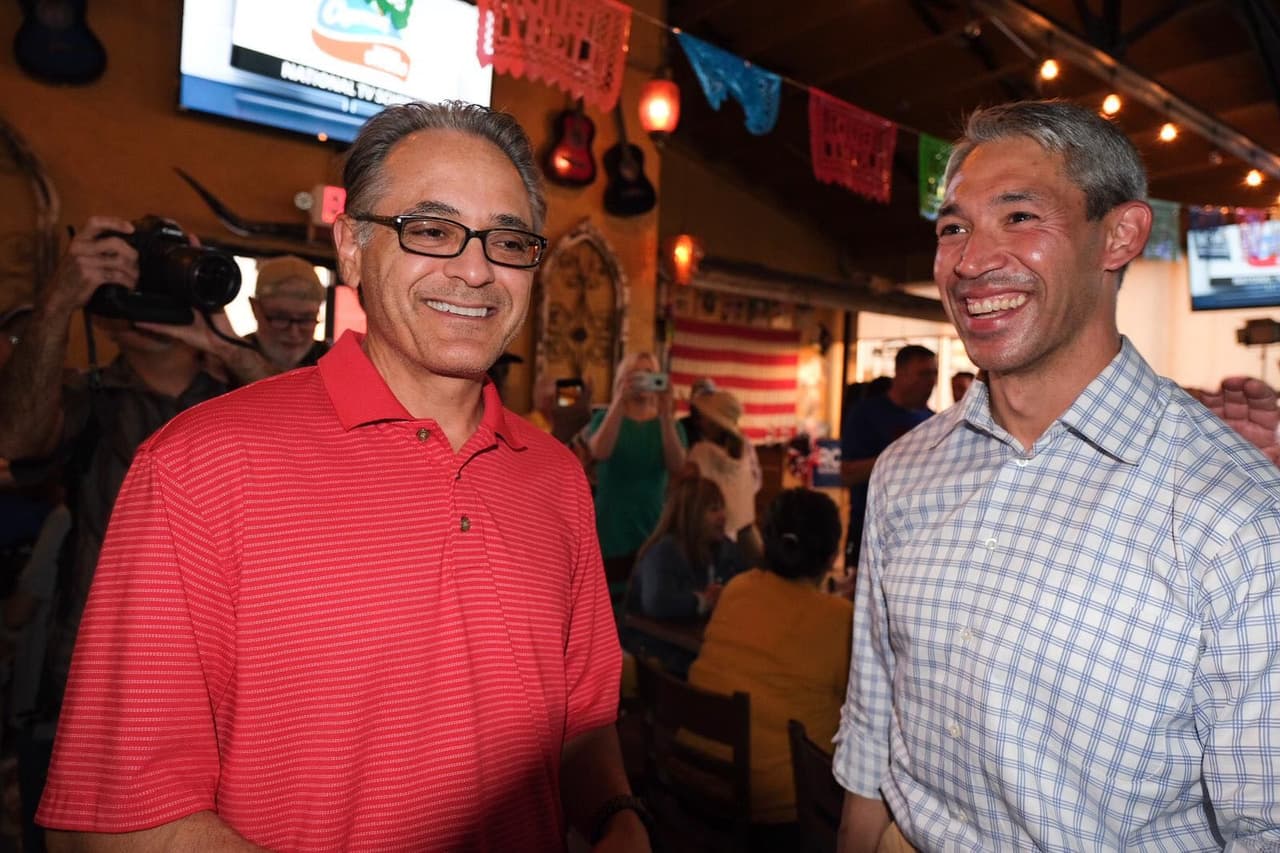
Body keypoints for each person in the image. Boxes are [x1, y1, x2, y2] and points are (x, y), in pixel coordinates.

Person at [35, 102, 648, 852]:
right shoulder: (197, 466)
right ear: (353, 248)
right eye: (430, 229)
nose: (477, 268)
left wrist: (619, 813)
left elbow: (581, 720)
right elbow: (116, 819)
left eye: (509, 240)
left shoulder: (555, 477)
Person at [835, 100, 1280, 852]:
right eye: (952, 227)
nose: (972, 261)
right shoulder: (905, 472)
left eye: (1018, 217)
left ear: (1120, 234)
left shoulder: (1236, 515)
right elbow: (873, 727)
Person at [0, 217, 277, 852]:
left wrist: (222, 341)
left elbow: (328, 450)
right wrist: (60, 299)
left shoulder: (238, 400)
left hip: (227, 705)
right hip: (87, 693)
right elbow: (16, 437)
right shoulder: (88, 397)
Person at [688, 488, 850, 830]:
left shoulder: (737, 589)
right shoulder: (841, 620)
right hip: (781, 811)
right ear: (831, 552)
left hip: (693, 777)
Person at [622, 468, 746, 676]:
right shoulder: (665, 551)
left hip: (690, 644)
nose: (723, 516)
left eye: (722, 508)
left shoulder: (722, 547)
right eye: (714, 509)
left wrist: (726, 593)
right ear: (691, 514)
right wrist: (703, 601)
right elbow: (656, 602)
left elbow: (744, 582)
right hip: (652, 650)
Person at [587, 351, 687, 592]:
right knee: (607, 595)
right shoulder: (605, 418)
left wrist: (665, 413)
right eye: (635, 375)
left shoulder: (669, 425)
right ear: (622, 380)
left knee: (647, 590)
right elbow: (599, 451)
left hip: (652, 521)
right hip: (611, 523)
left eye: (649, 375)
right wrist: (619, 403)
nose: (643, 381)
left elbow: (678, 466)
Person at [839, 345, 937, 570]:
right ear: (900, 374)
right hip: (870, 531)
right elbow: (847, 474)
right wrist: (899, 458)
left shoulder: (935, 422)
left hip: (917, 537)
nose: (930, 382)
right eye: (923, 374)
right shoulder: (866, 414)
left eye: (934, 374)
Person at [685, 388, 762, 566]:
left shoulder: (701, 453)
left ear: (712, 423)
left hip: (713, 542)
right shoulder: (745, 450)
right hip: (747, 539)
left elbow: (680, 490)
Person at [246, 254, 329, 371]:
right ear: (255, 308)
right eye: (280, 318)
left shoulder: (333, 362)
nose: (293, 332)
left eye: (306, 319)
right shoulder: (223, 364)